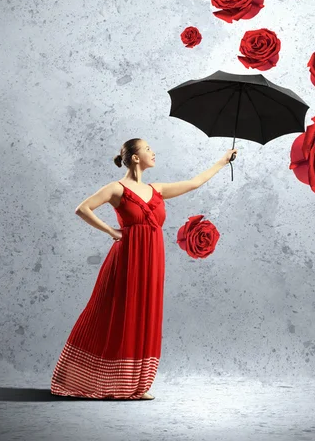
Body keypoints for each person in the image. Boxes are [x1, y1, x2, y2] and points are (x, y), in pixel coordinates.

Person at [50, 138, 238, 400]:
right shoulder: (116, 189)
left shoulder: (156, 189)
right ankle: (98, 379)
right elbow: (83, 209)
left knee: (145, 313)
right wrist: (112, 232)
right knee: (118, 312)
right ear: (135, 157)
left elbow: (194, 183)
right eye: (148, 149)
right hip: (127, 258)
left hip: (153, 260)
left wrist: (221, 162)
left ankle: (138, 384)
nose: (153, 152)